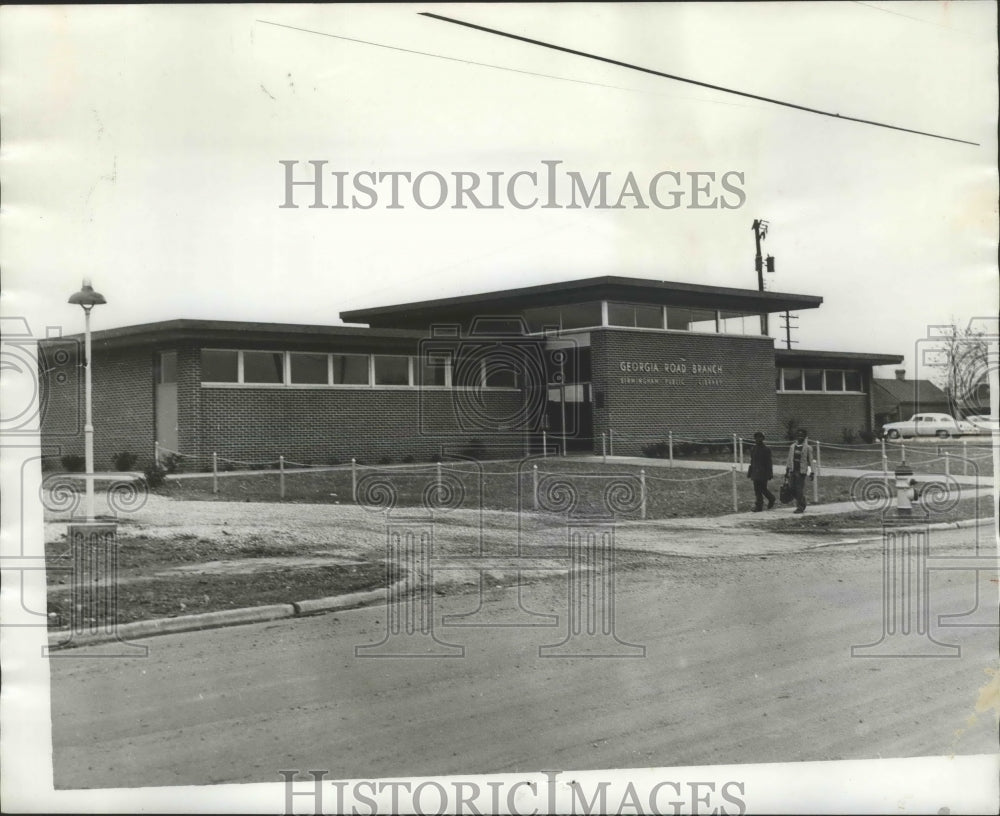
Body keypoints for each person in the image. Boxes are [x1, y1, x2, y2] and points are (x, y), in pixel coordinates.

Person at [785, 428, 814, 513]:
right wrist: (787, 470)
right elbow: (789, 459)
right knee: (791, 488)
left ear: (805, 437)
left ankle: (800, 506)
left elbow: (811, 460)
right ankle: (802, 501)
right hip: (793, 470)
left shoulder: (808, 448)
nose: (800, 437)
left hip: (801, 471)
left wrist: (812, 472)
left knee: (799, 489)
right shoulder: (792, 446)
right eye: (798, 435)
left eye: (802, 435)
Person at [746, 431, 775, 511]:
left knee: (763, 489)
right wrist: (750, 472)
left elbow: (769, 462)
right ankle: (759, 506)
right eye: (756, 437)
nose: (758, 439)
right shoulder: (753, 449)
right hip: (755, 472)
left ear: (763, 438)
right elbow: (752, 461)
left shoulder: (766, 449)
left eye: (760, 437)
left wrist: (770, 473)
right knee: (756, 489)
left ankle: (771, 498)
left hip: (763, 472)